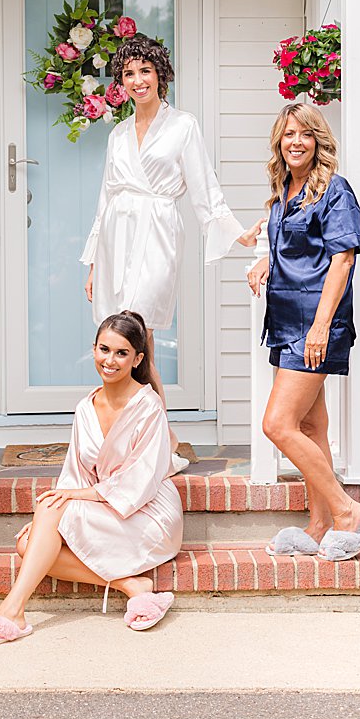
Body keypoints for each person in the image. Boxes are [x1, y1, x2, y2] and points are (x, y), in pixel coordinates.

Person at [81, 33, 262, 466]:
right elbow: (105, 199)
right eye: (128, 73)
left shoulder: (183, 125)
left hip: (157, 235)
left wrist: (235, 232)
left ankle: (157, 443)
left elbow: (204, 188)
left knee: (140, 338)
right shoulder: (118, 134)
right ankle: (158, 438)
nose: (138, 80)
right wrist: (91, 262)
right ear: (120, 83)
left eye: (145, 71)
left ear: (161, 74)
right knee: (123, 343)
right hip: (114, 242)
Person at [0, 311, 183, 646]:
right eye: (104, 349)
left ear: (137, 359)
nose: (110, 360)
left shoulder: (148, 406)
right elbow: (75, 474)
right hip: (107, 505)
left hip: (149, 512)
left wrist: (75, 501)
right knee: (27, 543)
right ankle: (133, 586)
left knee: (49, 515)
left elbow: (143, 479)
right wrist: (53, 516)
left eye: (122, 353)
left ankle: (11, 612)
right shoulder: (85, 408)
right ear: (93, 350)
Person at [248, 102, 360, 562]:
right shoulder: (284, 188)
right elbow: (291, 243)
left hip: (315, 322)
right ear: (279, 141)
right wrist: (267, 258)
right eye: (288, 134)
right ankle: (320, 523)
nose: (296, 142)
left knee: (277, 424)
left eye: (306, 134)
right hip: (285, 320)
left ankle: (347, 510)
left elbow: (342, 258)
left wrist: (322, 327)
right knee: (310, 424)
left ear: (319, 142)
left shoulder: (335, 190)